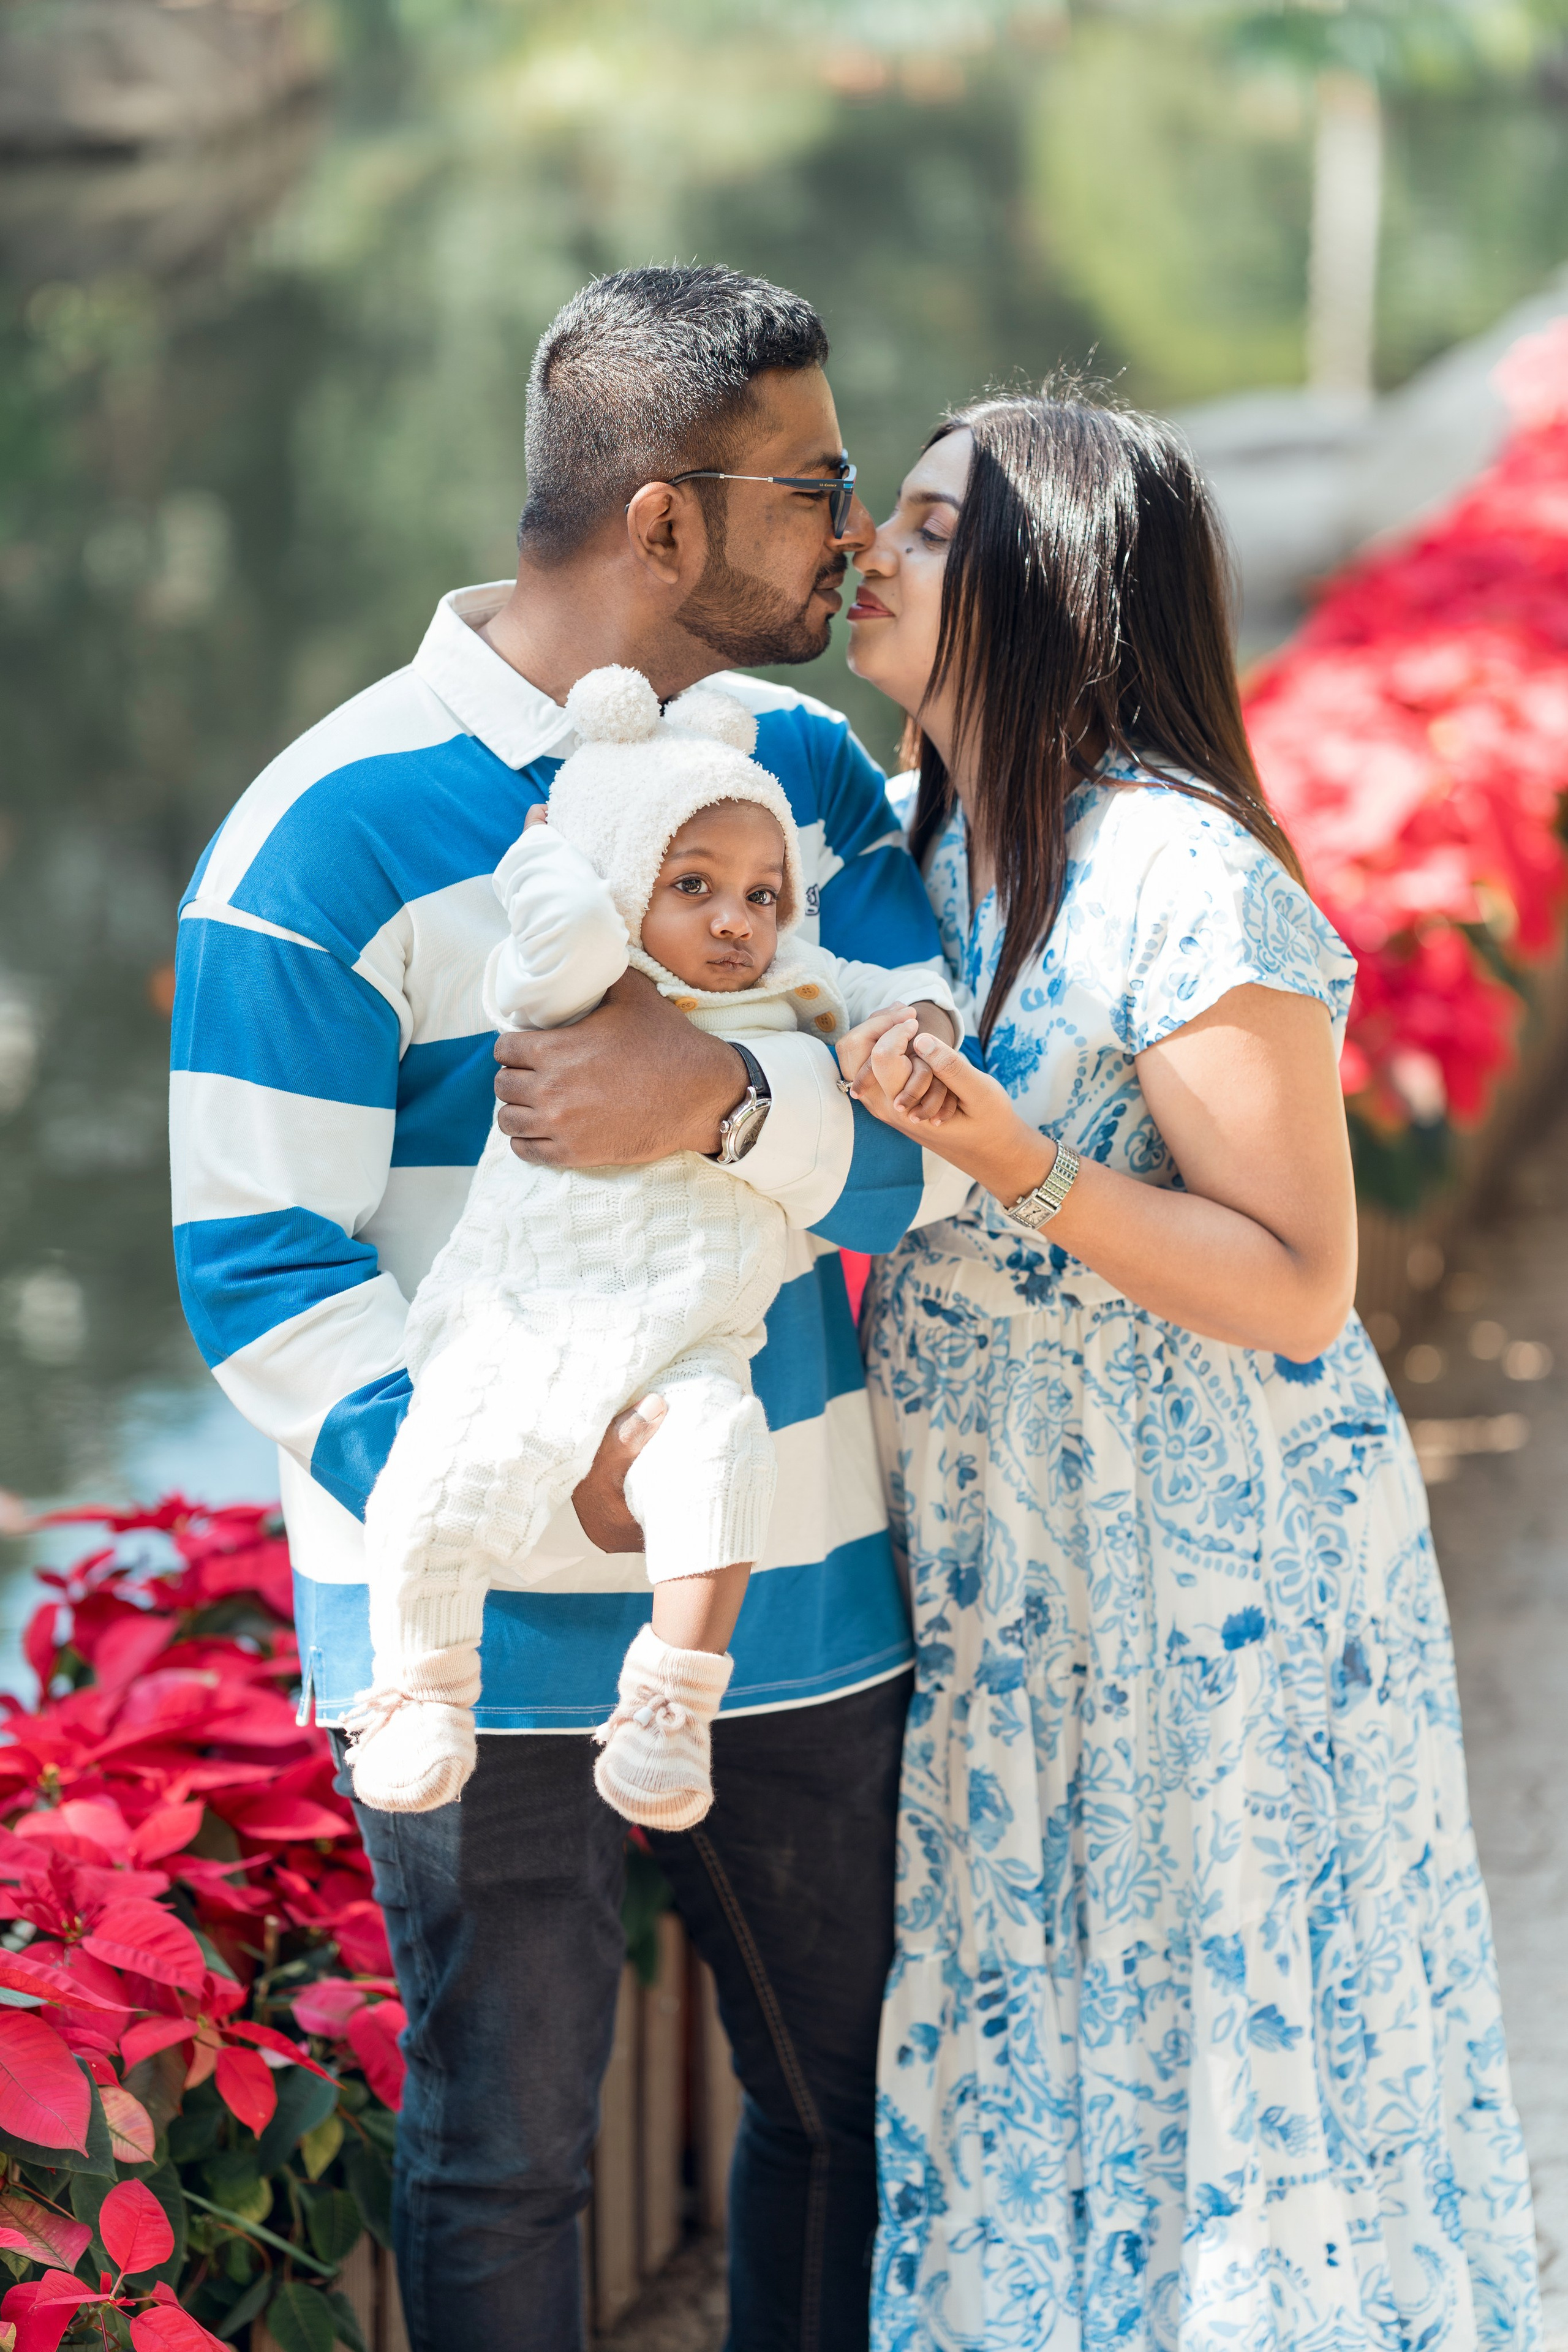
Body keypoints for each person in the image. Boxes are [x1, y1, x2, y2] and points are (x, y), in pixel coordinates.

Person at [169, 265, 961, 2352]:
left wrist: (718, 1103)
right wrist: (539, 1489)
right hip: (468, 1626)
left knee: (845, 2104)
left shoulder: (810, 786)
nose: (856, 533)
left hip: (782, 1580)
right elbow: (258, 1271)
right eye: (820, 485)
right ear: (669, 524)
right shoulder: (321, 837)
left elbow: (935, 1148)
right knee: (502, 2157)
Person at [836, 394, 1540, 2349]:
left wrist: (1017, 1167)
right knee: (1042, 2031)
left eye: (919, 523)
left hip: (1207, 1576)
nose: (867, 555)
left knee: (1225, 2054)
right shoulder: (923, 858)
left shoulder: (1175, 872)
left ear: (1038, 584)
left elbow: (1304, 1281)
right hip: (1013, 1575)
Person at [345, 662, 959, 1828]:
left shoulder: (788, 987)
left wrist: (907, 1026)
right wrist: (553, 853)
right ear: (626, 886)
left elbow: (885, 994)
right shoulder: (577, 983)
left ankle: (670, 1706)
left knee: (727, 1458)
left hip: (692, 1339)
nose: (736, 919)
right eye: (693, 885)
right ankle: (420, 1685)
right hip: (524, 1320)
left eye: (764, 893)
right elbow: (567, 925)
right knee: (441, 1481)